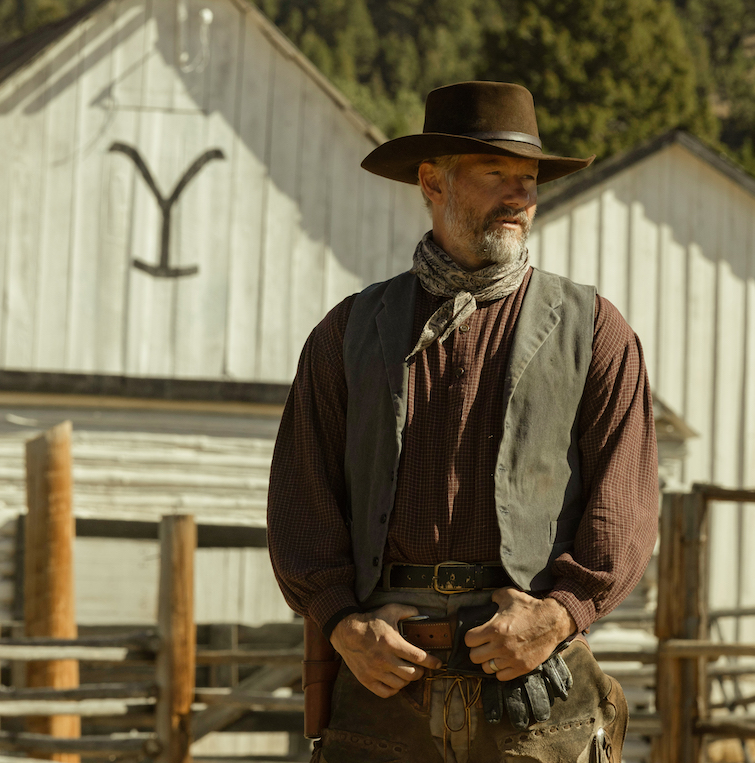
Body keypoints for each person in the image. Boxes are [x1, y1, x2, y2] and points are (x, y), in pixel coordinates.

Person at [267, 81, 660, 763]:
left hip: (534, 687)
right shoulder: (349, 332)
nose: (520, 197)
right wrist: (341, 625)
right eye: (496, 174)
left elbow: (623, 506)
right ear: (431, 181)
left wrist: (558, 616)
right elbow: (302, 502)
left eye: (529, 179)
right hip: (384, 688)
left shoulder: (595, 331)